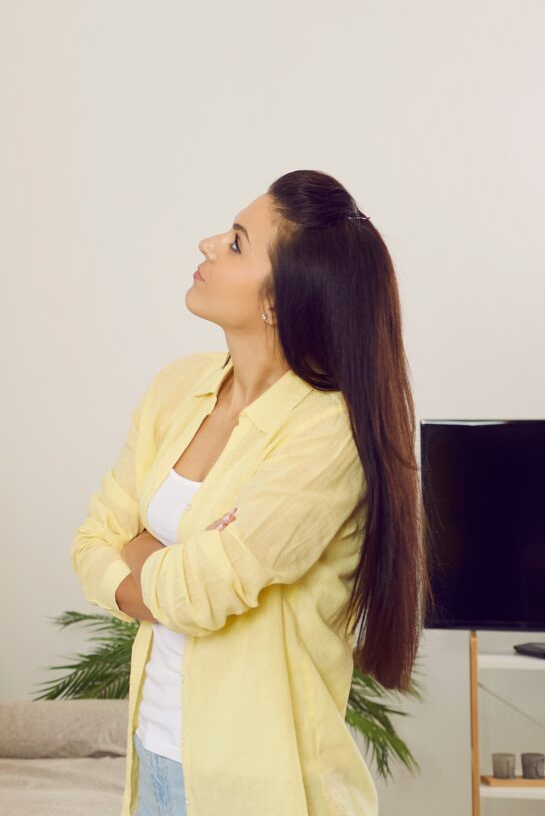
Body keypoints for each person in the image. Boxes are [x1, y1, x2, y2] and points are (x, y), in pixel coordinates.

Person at [71, 171, 426, 816]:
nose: (207, 244)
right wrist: (174, 561)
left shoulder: (330, 429)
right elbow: (93, 540)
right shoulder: (176, 390)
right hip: (152, 758)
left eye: (236, 243)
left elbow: (205, 589)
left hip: (260, 788)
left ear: (277, 302)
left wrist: (141, 553)